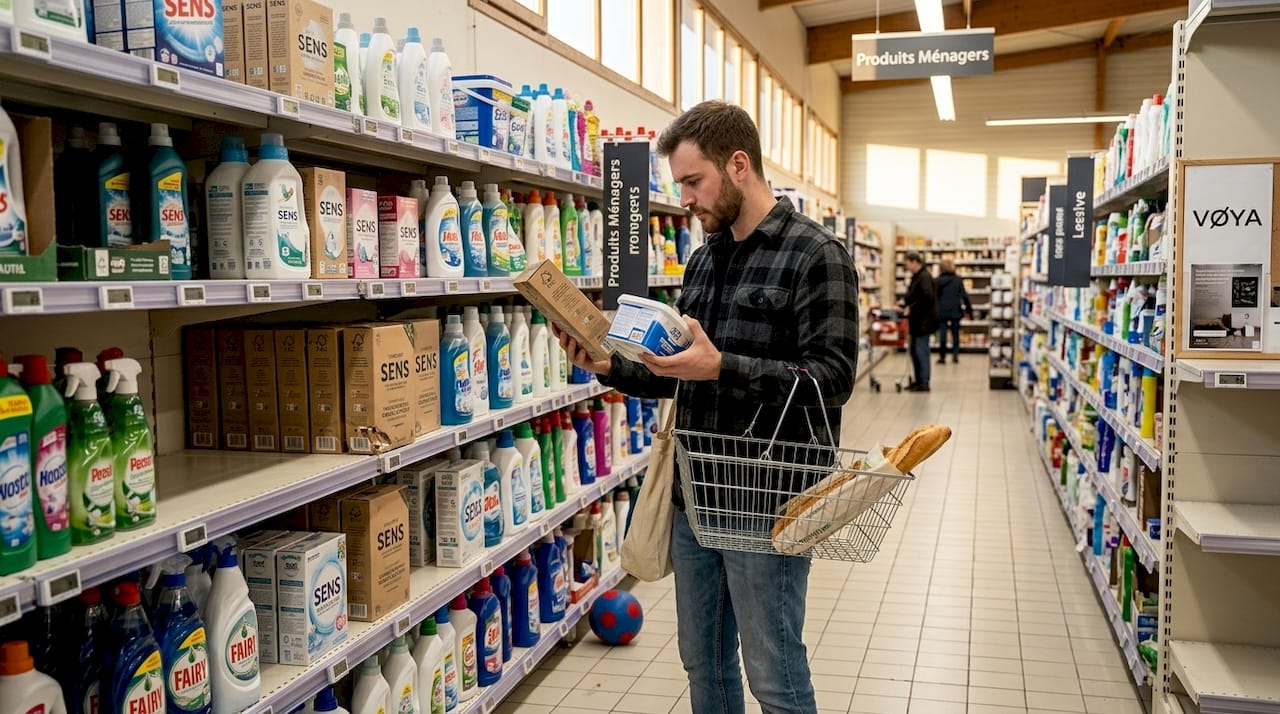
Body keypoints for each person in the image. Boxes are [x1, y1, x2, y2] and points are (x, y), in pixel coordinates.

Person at [553, 101, 859, 714]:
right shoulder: (704, 258)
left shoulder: (815, 255)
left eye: (693, 181)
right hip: (694, 497)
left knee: (773, 669)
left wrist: (723, 366)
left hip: (767, 500)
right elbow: (681, 377)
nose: (685, 199)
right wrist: (612, 366)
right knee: (704, 663)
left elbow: (832, 379)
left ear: (738, 165)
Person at [899, 251, 938, 392]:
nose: (906, 266)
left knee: (921, 351)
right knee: (915, 351)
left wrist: (911, 308)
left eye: (908, 263)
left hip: (923, 322)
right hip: (917, 321)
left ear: (915, 262)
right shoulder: (918, 276)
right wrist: (904, 302)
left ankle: (924, 382)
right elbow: (914, 295)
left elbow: (927, 298)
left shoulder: (924, 277)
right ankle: (918, 380)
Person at [934, 258, 973, 364]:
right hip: (955, 310)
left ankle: (942, 356)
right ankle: (955, 355)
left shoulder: (937, 280)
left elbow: (934, 296)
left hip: (942, 310)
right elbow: (964, 296)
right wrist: (969, 310)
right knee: (955, 334)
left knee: (943, 334)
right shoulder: (957, 279)